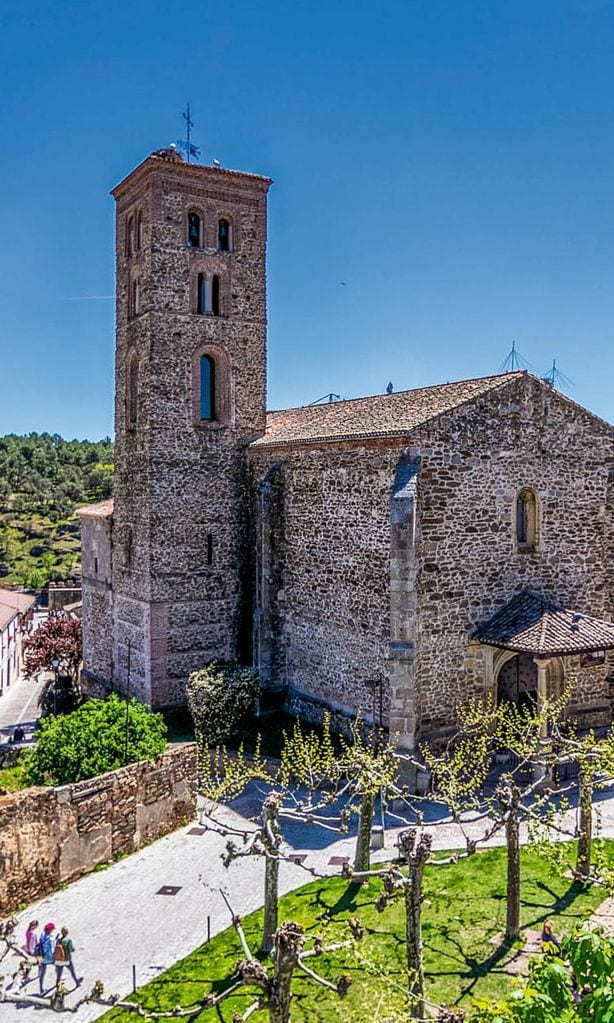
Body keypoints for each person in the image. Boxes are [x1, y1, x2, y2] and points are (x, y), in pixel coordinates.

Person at [38, 922, 56, 994]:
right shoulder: (50, 938)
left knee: (42, 974)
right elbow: (52, 949)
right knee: (58, 966)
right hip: (49, 957)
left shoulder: (42, 935)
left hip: (42, 957)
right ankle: (59, 981)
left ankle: (41, 989)